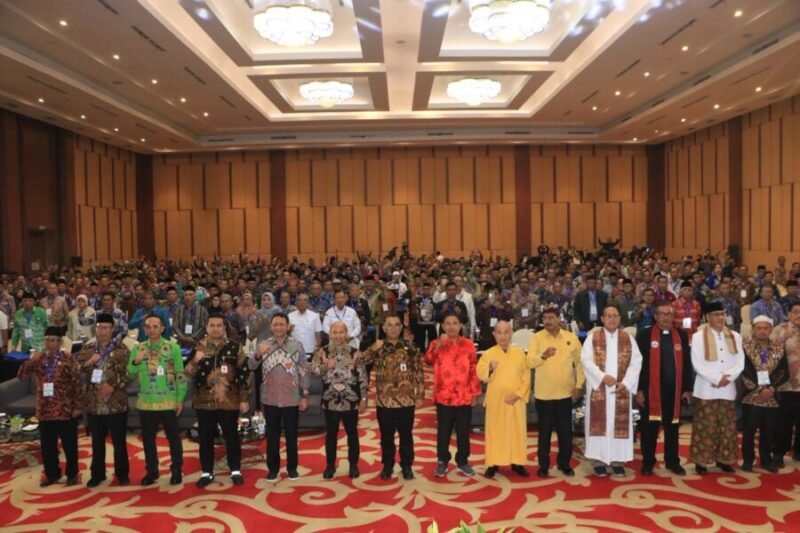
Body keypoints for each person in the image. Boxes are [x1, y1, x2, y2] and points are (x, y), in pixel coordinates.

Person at [185, 314, 251, 488]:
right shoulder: (198, 347)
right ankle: (207, 472)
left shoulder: (235, 347)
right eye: (212, 325)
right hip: (204, 401)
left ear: (224, 328)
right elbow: (187, 372)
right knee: (205, 438)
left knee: (232, 437)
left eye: (219, 325)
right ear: (206, 328)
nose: (215, 329)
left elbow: (244, 374)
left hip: (229, 401)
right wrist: (195, 360)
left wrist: (244, 398)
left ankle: (235, 470)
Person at [580, 304, 642, 477]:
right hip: (599, 389)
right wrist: (602, 377)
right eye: (608, 316)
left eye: (615, 316)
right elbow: (586, 361)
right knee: (598, 425)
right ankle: (598, 461)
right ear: (602, 319)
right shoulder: (592, 338)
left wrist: (626, 382)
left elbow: (636, 362)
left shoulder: (628, 338)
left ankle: (617, 460)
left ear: (620, 318)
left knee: (618, 425)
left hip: (620, 390)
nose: (612, 319)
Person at [248, 313, 310, 482]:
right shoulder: (263, 344)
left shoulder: (297, 345)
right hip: (270, 398)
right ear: (270, 327)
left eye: (282, 324)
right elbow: (251, 366)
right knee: (272, 436)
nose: (278, 327)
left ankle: (292, 468)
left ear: (288, 327)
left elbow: (304, 370)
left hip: (291, 397)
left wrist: (304, 394)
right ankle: (273, 469)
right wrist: (258, 354)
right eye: (275, 324)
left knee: (291, 435)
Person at [362, 315, 425, 480]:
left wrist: (420, 395)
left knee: (406, 436)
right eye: (389, 325)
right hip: (385, 400)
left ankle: (407, 466)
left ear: (401, 327)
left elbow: (419, 372)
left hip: (406, 400)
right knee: (386, 436)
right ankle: (388, 465)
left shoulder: (410, 347)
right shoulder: (379, 347)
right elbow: (360, 361)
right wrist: (373, 348)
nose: (393, 328)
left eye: (397, 325)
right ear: (383, 328)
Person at [17, 327, 82, 487]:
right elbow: (21, 376)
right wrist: (30, 360)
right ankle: (52, 474)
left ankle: (72, 474)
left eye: (53, 340)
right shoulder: (39, 359)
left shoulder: (68, 358)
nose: (49, 343)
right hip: (45, 410)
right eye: (47, 340)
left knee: (69, 445)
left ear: (60, 342)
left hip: (65, 409)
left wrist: (78, 406)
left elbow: (77, 383)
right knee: (47, 446)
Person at [127, 314, 187, 486]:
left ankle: (176, 470)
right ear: (144, 329)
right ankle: (152, 471)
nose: (152, 330)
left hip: (168, 401)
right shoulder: (138, 348)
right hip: (146, 402)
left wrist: (180, 399)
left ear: (162, 328)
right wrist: (137, 361)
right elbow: (129, 373)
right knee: (148, 440)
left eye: (155, 326)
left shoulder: (172, 347)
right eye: (148, 327)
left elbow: (180, 374)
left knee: (173, 439)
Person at [635, 301, 693, 476]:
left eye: (669, 314)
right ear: (656, 316)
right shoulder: (644, 335)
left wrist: (687, 388)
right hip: (650, 390)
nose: (666, 317)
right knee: (649, 429)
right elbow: (637, 365)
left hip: (674, 391)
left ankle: (672, 461)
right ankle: (648, 462)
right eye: (662, 314)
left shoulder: (681, 335)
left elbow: (686, 363)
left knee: (672, 428)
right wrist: (639, 390)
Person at [527, 307, 584, 477]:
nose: (548, 321)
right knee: (544, 433)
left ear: (559, 319)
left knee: (565, 432)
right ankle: (543, 465)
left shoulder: (571, 338)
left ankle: (564, 464)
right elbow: (529, 362)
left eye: (551, 317)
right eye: (545, 318)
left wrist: (579, 385)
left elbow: (580, 363)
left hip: (565, 394)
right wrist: (543, 356)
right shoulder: (537, 338)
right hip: (543, 395)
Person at [689, 301, 744, 474]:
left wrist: (728, 378)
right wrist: (716, 378)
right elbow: (697, 364)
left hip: (728, 388)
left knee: (727, 427)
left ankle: (724, 460)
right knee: (705, 426)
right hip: (706, 388)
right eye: (716, 315)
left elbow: (740, 362)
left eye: (722, 314)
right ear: (707, 317)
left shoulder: (735, 336)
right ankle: (702, 462)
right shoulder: (698, 337)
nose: (720, 318)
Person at [76, 313, 131, 487]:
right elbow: (76, 371)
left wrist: (113, 386)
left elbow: (130, 374)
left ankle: (122, 474)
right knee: (97, 442)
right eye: (99, 327)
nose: (102, 331)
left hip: (116, 403)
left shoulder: (121, 349)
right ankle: (97, 474)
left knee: (119, 442)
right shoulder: (88, 349)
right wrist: (88, 363)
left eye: (106, 327)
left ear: (112, 329)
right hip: (94, 403)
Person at [425, 313, 481, 477]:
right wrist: (439, 345)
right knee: (444, 431)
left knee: (463, 432)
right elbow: (428, 360)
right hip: (444, 396)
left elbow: (473, 370)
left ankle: (462, 461)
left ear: (460, 325)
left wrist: (475, 393)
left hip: (464, 396)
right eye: (448, 323)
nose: (451, 326)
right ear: (443, 326)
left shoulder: (469, 344)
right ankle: (442, 460)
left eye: (455, 323)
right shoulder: (436, 343)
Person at [310, 321, 367, 479]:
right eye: (335, 332)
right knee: (331, 435)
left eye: (341, 332)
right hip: (330, 399)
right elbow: (313, 370)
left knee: (352, 434)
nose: (338, 336)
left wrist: (363, 398)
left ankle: (353, 465)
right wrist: (325, 367)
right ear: (330, 334)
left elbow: (363, 377)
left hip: (350, 399)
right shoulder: (322, 352)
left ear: (346, 334)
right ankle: (330, 465)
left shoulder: (355, 353)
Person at [476, 320, 530, 478]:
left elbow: (526, 376)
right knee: (495, 432)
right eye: (499, 332)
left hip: (516, 400)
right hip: (496, 401)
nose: (503, 336)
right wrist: (489, 368)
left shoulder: (520, 353)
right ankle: (493, 463)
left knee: (516, 432)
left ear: (511, 333)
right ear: (494, 334)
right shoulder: (488, 354)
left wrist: (518, 394)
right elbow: (480, 373)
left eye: (506, 332)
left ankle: (517, 462)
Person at [740, 316, 788, 473]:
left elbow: (783, 371)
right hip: (751, 395)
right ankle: (748, 461)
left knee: (768, 430)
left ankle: (766, 460)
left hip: (771, 396)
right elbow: (744, 370)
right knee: (749, 430)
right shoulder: (745, 346)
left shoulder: (779, 347)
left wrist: (771, 389)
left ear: (771, 330)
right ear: (753, 329)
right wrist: (759, 389)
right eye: (759, 328)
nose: (762, 331)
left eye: (766, 328)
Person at [770, 302, 800, 467]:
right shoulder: (779, 329)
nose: (799, 315)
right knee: (783, 421)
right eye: (796, 312)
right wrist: (783, 338)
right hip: (786, 385)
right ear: (788, 314)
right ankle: (779, 452)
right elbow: (768, 355)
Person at [289, 294, 323, 360]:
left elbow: (318, 333)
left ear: (308, 303)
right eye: (299, 300)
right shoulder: (290, 316)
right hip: (294, 350)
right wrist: (289, 330)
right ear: (296, 303)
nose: (302, 302)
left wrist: (318, 347)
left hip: (311, 350)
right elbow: (287, 333)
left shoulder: (315, 315)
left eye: (305, 300)